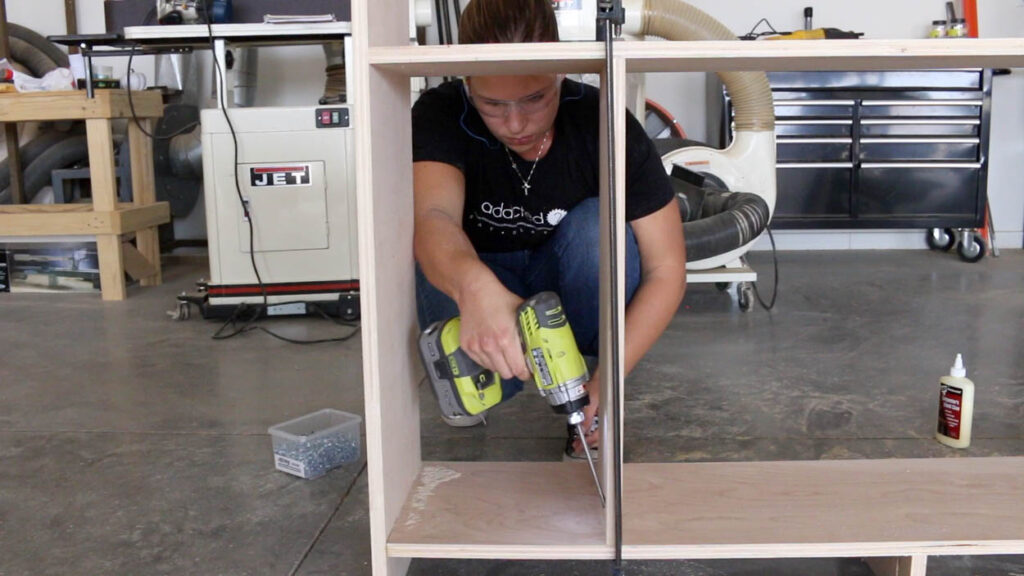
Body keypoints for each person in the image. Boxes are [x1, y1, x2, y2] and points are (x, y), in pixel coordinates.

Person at [412, 0, 686, 458]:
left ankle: (582, 379)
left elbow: (667, 268)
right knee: (432, 251)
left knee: (597, 225)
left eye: (535, 99)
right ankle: (488, 374)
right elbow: (432, 218)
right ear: (467, 83)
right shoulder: (440, 112)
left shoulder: (602, 120)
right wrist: (474, 288)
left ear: (560, 71)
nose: (516, 124)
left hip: (567, 292)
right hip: (483, 278)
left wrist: (607, 382)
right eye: (492, 105)